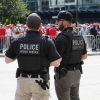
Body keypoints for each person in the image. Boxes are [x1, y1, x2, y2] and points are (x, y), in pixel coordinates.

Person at [5, 13, 62, 100]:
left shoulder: (18, 40)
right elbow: (57, 63)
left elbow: (7, 60)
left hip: (23, 81)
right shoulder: (46, 41)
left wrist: (20, 55)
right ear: (40, 25)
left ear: (26, 25)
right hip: (40, 81)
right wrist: (44, 63)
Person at [53, 10, 87, 100]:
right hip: (77, 73)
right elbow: (84, 56)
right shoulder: (79, 35)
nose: (56, 23)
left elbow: (56, 60)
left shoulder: (61, 37)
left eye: (58, 21)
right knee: (75, 98)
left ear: (64, 22)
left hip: (65, 75)